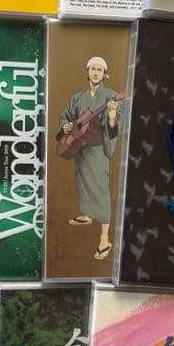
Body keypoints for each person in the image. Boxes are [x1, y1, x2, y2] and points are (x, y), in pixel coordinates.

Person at [57, 57, 121, 261]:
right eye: (93, 68)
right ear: (87, 71)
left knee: (100, 188)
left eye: (99, 70)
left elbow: (114, 125)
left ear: (105, 74)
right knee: (83, 183)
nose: (95, 72)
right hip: (79, 147)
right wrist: (66, 126)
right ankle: (87, 215)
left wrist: (112, 114)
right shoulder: (78, 98)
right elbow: (66, 116)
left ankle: (104, 239)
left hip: (97, 149)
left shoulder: (110, 96)